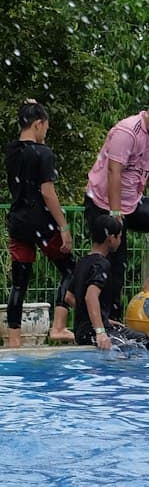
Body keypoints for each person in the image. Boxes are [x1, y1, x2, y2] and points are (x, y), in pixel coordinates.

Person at [84, 92, 149, 312]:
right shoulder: (127, 131)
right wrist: (115, 215)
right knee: (115, 265)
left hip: (132, 202)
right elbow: (114, 172)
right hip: (104, 203)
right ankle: (108, 318)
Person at [5, 99, 74, 345]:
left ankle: (14, 339)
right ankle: (58, 327)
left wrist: (32, 107)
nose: (46, 131)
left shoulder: (11, 151)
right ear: (38, 124)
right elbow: (48, 193)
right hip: (42, 225)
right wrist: (64, 227)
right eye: (45, 126)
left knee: (19, 283)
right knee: (71, 271)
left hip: (18, 222)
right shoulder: (44, 154)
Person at [68, 212, 147, 350]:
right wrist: (100, 331)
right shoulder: (102, 264)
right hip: (93, 333)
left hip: (81, 333)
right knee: (141, 341)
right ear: (110, 238)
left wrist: (102, 319)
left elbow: (69, 297)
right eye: (119, 237)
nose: (120, 241)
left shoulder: (82, 262)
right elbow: (90, 296)